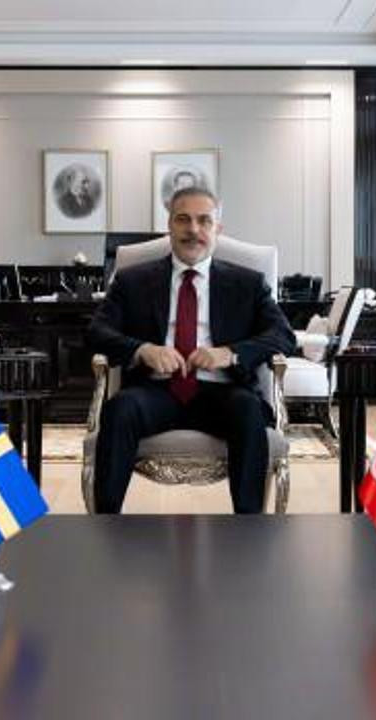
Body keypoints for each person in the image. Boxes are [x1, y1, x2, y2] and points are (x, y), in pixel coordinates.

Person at [86, 187, 295, 513]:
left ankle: (250, 529)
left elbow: (283, 335)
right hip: (154, 391)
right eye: (183, 219)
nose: (193, 229)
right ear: (169, 225)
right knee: (119, 410)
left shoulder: (248, 283)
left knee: (248, 410)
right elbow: (96, 333)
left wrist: (231, 353)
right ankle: (105, 526)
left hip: (223, 392)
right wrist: (142, 349)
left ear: (217, 229)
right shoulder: (131, 281)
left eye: (204, 221)